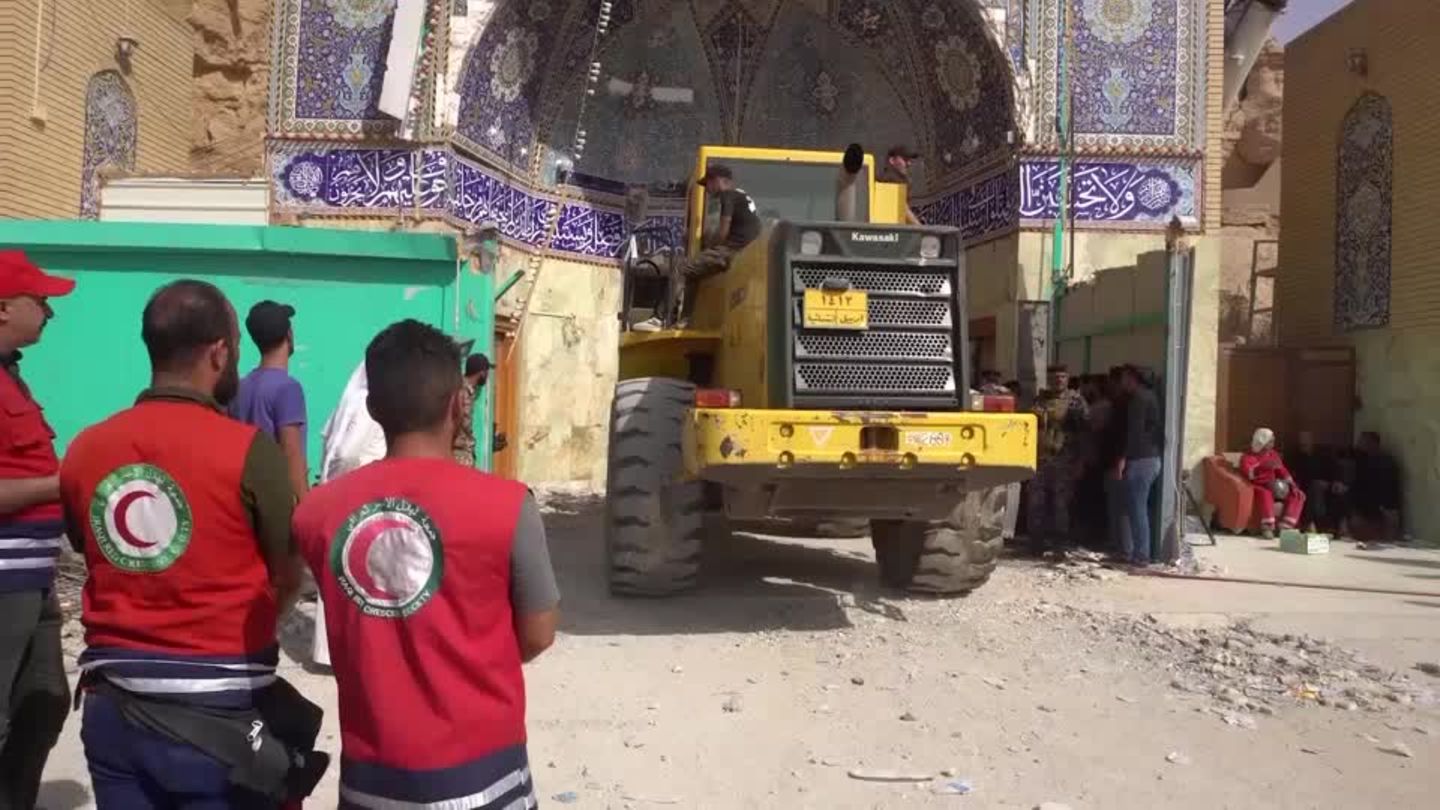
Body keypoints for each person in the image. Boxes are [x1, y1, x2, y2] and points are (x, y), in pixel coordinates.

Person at [60, 280, 323, 809]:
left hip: (112, 711)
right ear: (220, 352)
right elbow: (287, 570)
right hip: (218, 720)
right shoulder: (248, 451)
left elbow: (89, 549)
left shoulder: (87, 447)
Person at [292, 320, 560, 810]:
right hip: (487, 775)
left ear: (372, 409)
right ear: (460, 402)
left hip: (372, 780)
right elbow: (538, 634)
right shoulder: (508, 506)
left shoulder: (316, 513)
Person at [0, 250, 73, 810]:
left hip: (33, 577)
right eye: (41, 300)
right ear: (3, 308)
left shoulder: (12, 379)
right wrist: (66, 483)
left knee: (45, 701)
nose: (50, 313)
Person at [636, 164, 760, 332]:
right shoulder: (742, 195)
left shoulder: (728, 196)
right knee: (693, 275)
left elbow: (723, 232)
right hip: (743, 252)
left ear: (717, 180)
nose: (707, 189)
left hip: (730, 252)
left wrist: (708, 247)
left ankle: (659, 318)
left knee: (679, 269)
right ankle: (685, 320)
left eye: (708, 184)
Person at [230, 300, 309, 497]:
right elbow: (292, 456)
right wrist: (304, 507)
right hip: (276, 501)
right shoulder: (288, 388)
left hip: (244, 497)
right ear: (289, 335)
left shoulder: (238, 388)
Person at [1028, 364, 1089, 550]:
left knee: (1061, 503)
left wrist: (1080, 461)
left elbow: (1085, 432)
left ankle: (1059, 542)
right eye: (1054, 377)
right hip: (1040, 458)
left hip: (1064, 458)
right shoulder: (1039, 400)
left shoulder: (1075, 402)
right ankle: (1037, 542)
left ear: (1068, 378)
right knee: (1036, 501)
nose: (1058, 380)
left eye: (1062, 377)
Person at [1114, 365, 1162, 565]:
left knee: (1137, 508)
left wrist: (1122, 458)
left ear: (1133, 378)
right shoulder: (1147, 396)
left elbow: (1135, 433)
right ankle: (1132, 551)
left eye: (1124, 378)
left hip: (1140, 460)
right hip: (1149, 459)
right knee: (1133, 508)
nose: (1122, 382)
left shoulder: (1139, 399)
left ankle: (1141, 555)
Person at [1238, 427, 1306, 539]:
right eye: (1271, 441)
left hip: (1275, 485)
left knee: (1298, 494)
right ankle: (1267, 527)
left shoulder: (1273, 454)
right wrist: (1262, 467)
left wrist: (1292, 485)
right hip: (1258, 485)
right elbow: (1249, 474)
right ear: (1262, 441)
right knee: (1265, 494)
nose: (1273, 444)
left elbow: (1282, 471)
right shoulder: (1247, 456)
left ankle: (1285, 527)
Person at [1350, 431, 1402, 542]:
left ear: (1372, 443)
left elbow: (1379, 486)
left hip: (1383, 509)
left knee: (1386, 542)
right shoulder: (1375, 460)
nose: (1359, 445)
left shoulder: (1380, 462)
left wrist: (1379, 507)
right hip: (1384, 508)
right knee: (1386, 543)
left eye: (1362, 442)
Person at [1289, 430, 1346, 532]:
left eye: (1306, 440)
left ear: (1312, 440)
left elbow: (1334, 469)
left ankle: (1339, 527)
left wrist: (1337, 481)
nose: (1303, 443)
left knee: (1340, 491)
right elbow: (1293, 475)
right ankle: (1314, 523)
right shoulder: (1296, 457)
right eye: (1301, 440)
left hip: (1327, 485)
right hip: (1305, 486)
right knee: (1315, 487)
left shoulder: (1323, 455)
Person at [453, 353, 491, 466]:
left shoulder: (467, 390)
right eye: (487, 372)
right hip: (459, 453)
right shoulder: (462, 390)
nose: (488, 376)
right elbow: (462, 421)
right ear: (482, 372)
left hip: (462, 451)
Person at [877, 144, 923, 225]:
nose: (909, 163)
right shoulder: (890, 179)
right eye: (905, 159)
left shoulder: (899, 178)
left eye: (910, 160)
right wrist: (921, 229)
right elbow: (902, 208)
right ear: (892, 160)